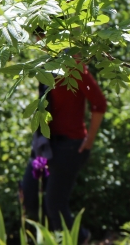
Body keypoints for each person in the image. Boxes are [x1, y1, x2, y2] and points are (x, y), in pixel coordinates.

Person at [20, 55, 106, 240]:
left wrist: (89, 140)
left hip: (69, 146)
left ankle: (79, 239)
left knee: (54, 204)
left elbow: (99, 102)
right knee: (28, 194)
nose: (39, 39)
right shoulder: (44, 64)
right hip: (45, 146)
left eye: (42, 33)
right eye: (37, 34)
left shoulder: (75, 67)